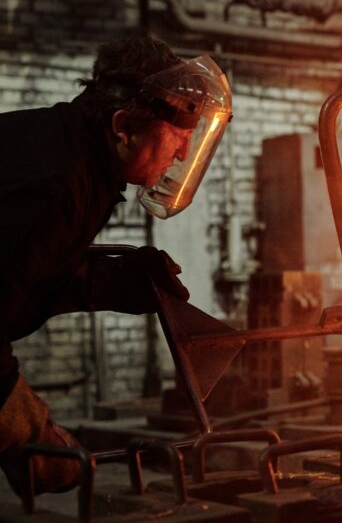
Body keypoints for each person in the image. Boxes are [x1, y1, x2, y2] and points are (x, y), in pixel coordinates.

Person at [0, 34, 233, 497]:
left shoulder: (74, 157)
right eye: (178, 138)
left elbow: (24, 271)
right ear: (124, 127)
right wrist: (28, 433)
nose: (183, 155)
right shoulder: (57, 184)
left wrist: (104, 281)